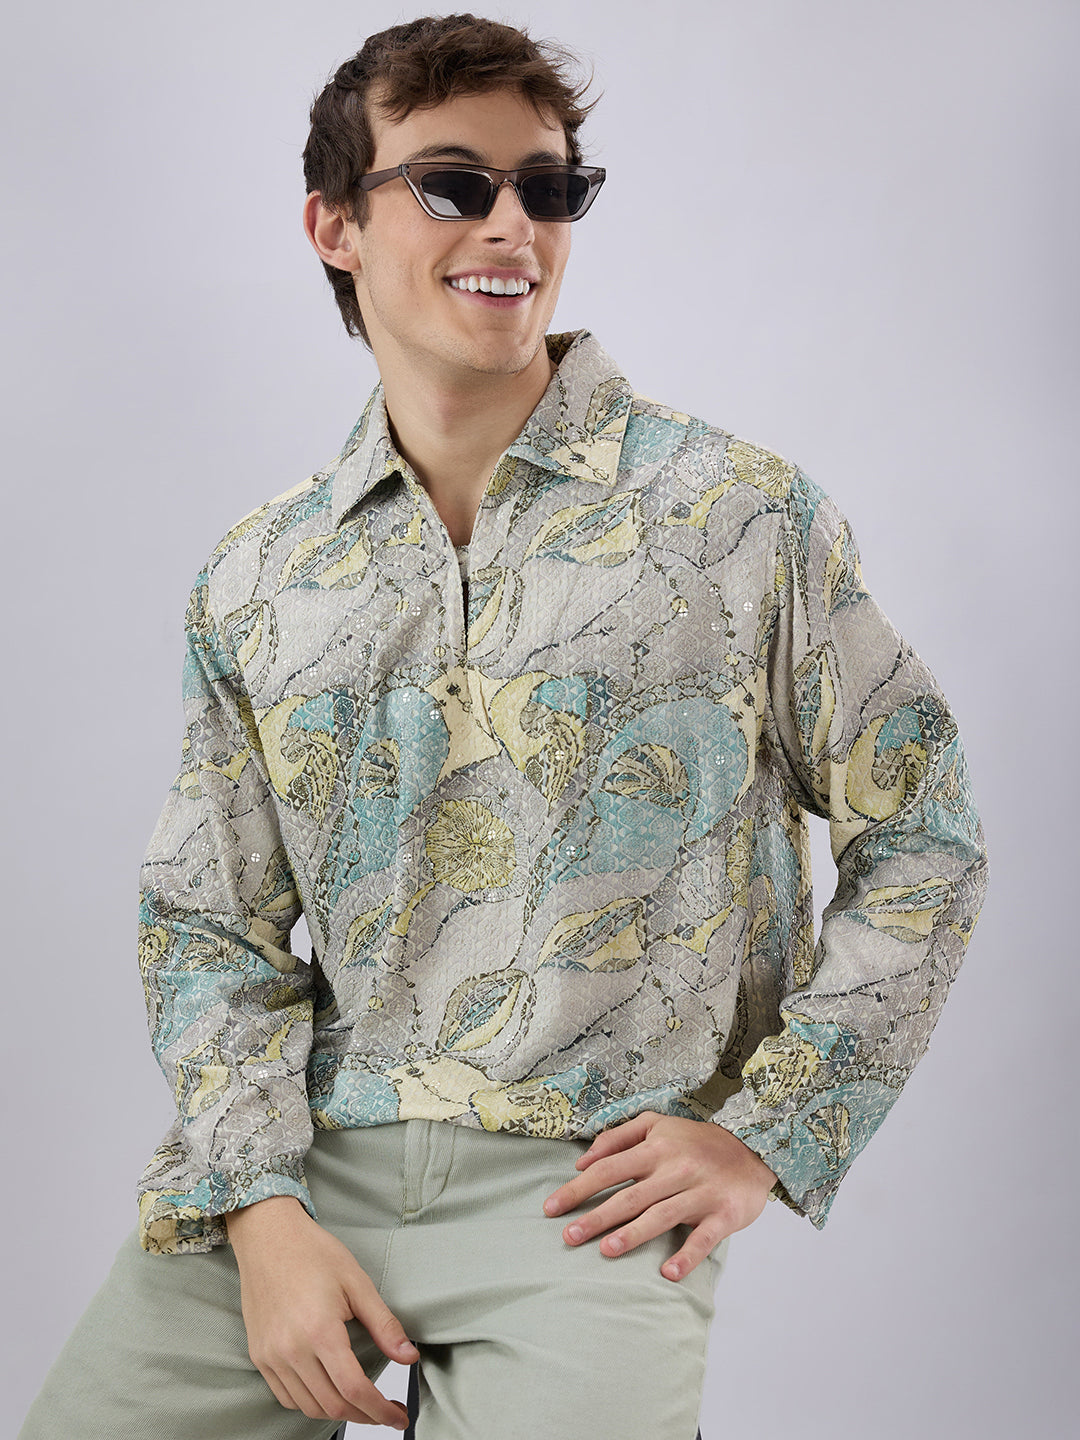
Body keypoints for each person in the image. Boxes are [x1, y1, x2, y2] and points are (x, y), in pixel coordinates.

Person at [19, 12, 989, 1440]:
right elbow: (210, 924)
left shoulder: (739, 519)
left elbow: (924, 835)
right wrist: (263, 1213)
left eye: (547, 186)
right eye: (454, 184)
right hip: (302, 1176)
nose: (513, 225)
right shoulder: (261, 574)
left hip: (587, 1198)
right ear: (335, 226)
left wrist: (771, 1132)